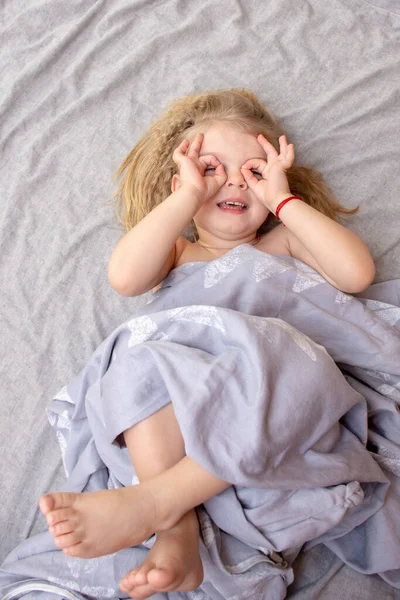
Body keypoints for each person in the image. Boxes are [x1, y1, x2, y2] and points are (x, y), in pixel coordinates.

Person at [39, 88, 376, 599]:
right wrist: (185, 199)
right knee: (138, 360)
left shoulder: (281, 243)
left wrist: (283, 201)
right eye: (213, 168)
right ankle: (177, 529)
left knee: (295, 360)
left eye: (254, 170)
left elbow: (356, 274)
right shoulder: (178, 250)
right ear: (184, 185)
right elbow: (125, 278)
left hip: (271, 396)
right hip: (180, 426)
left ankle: (158, 504)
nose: (235, 180)